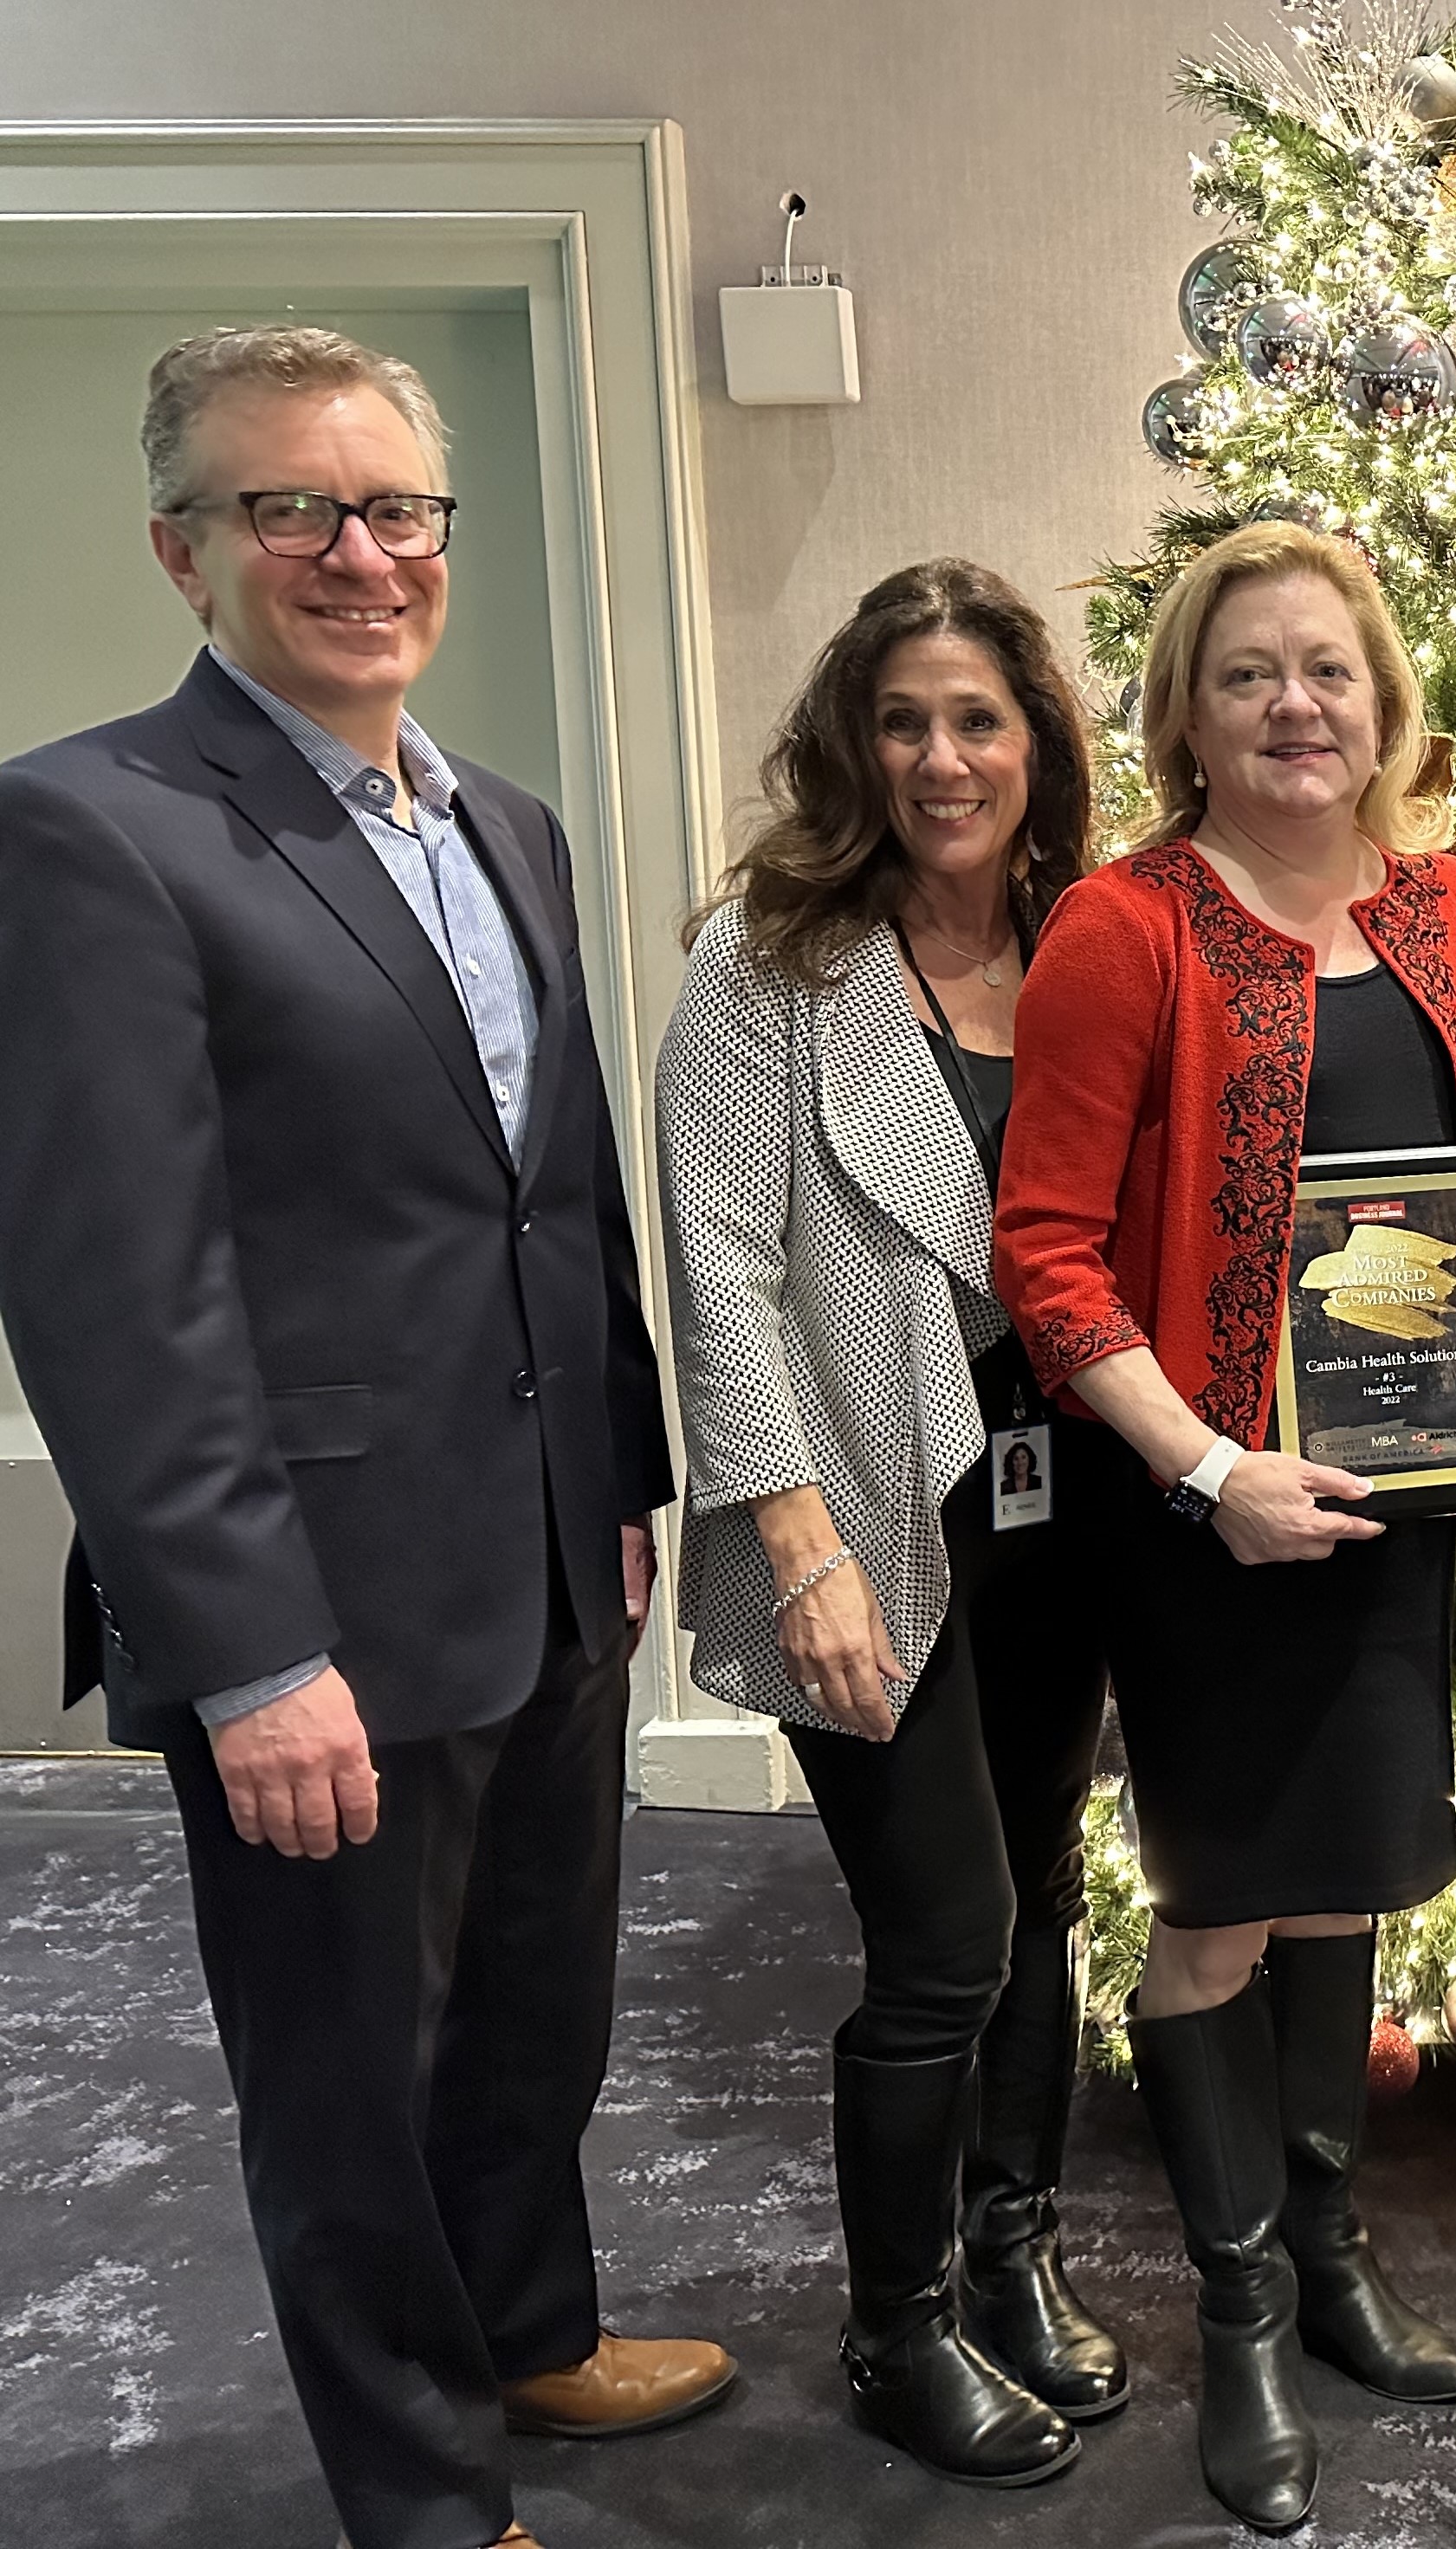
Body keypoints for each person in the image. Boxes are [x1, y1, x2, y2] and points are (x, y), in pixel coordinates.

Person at [0, 325, 731, 2549]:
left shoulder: (500, 817)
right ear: (184, 548)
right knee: (349, 2071)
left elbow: (556, 1187)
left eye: (395, 507)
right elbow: (116, 1287)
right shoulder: (91, 828)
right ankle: (421, 2496)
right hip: (315, 1590)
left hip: (536, 1546)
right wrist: (243, 1643)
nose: (357, 552)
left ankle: (526, 2320)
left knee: (533, 1988)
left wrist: (617, 1479)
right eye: (289, 507)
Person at [994, 521, 1456, 2533]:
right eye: (1247, 674)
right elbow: (1044, 1255)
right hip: (1203, 1518)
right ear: (1183, 712)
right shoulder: (1126, 929)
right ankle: (1238, 2319)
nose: (1297, 706)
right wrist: (1208, 1467)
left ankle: (1331, 2246)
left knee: (1350, 1879)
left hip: (1395, 1493)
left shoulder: (1451, 909)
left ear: (1385, 702)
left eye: (1330, 671)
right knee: (1216, 1901)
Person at [654, 559, 1123, 2488]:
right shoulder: (768, 960)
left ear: (1038, 746)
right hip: (858, 1518)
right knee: (942, 1936)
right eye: (906, 718)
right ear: (858, 737)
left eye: (980, 719)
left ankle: (1013, 2253)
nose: (942, 756)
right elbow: (722, 1267)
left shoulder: (1083, 937)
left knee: (1045, 1905)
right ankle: (896, 2324)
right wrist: (798, 1543)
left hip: (1057, 1513)